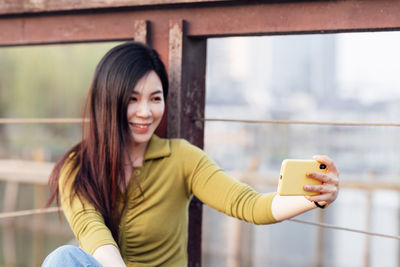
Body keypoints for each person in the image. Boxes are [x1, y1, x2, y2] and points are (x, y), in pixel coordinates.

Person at [42, 41, 339, 267]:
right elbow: (92, 231)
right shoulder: (78, 166)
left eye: (155, 99)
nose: (146, 112)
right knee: (64, 258)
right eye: (133, 100)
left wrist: (312, 196)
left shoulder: (182, 158)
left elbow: (249, 205)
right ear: (108, 102)